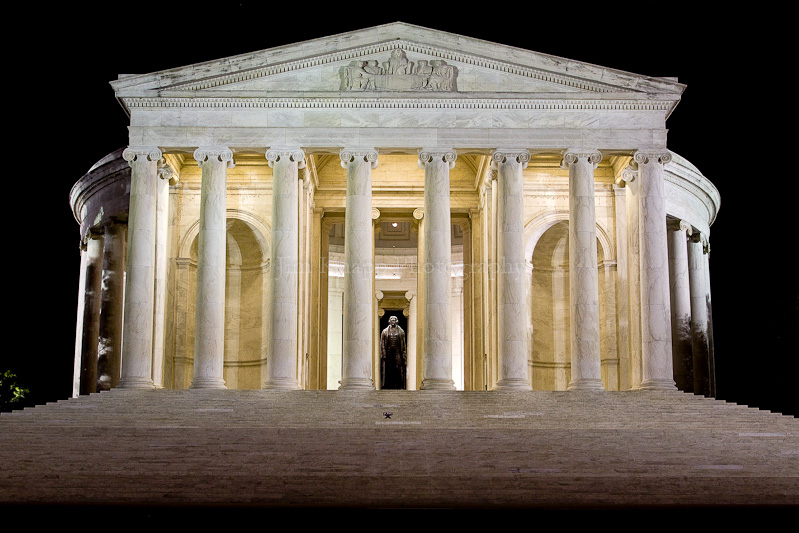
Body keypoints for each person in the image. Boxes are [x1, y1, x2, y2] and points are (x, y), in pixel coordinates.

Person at [380, 315, 407, 389]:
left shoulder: (401, 331)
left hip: (397, 352)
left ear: (397, 321)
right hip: (388, 353)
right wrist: (383, 353)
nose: (393, 321)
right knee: (388, 369)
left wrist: (404, 354)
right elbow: (382, 343)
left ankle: (398, 385)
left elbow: (403, 344)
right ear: (389, 321)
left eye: (394, 319)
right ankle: (388, 385)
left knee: (398, 368)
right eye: (391, 319)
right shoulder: (384, 331)